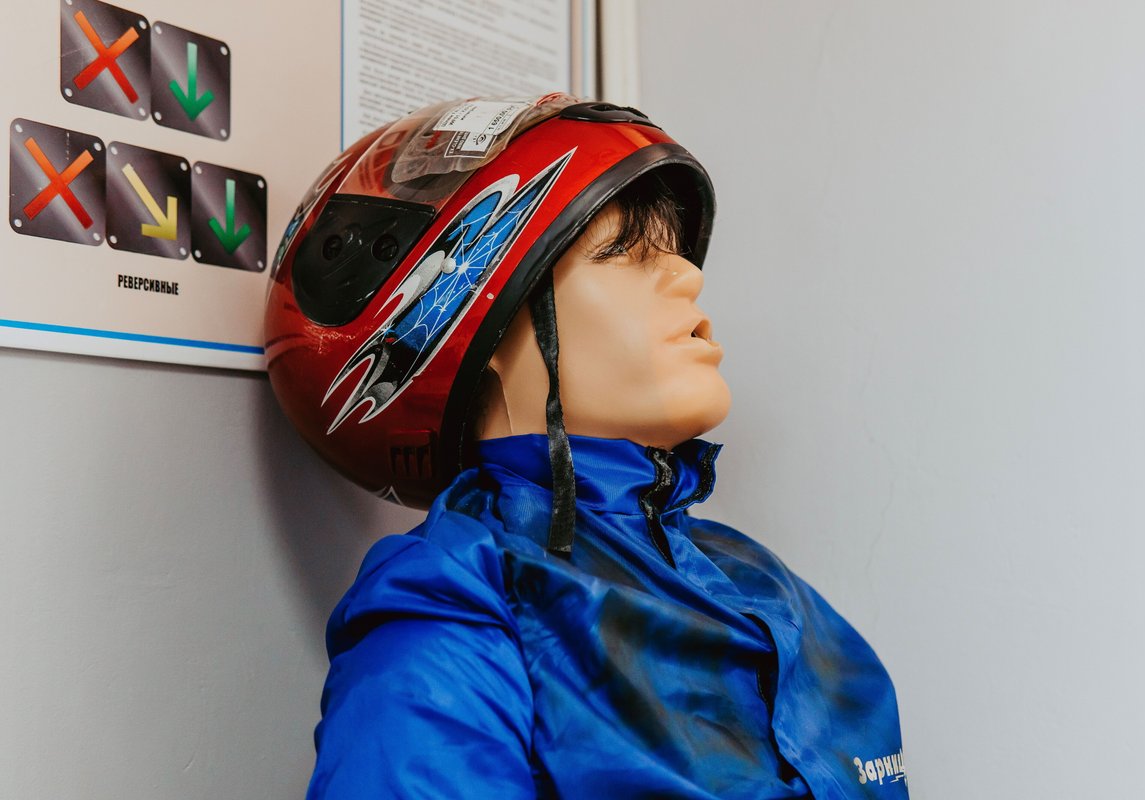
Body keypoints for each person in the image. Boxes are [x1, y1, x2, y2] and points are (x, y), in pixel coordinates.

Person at [266, 95, 909, 799]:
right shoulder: (458, 611)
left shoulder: (762, 582)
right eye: (624, 253)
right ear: (472, 330)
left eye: (674, 253)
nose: (690, 277)